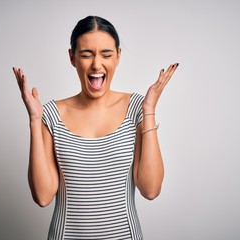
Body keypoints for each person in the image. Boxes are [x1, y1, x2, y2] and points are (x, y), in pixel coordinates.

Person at [13, 15, 178, 240]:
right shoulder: (50, 114)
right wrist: (34, 120)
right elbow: (42, 197)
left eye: (106, 54)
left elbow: (150, 190)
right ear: (72, 58)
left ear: (118, 56)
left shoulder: (136, 108)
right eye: (86, 54)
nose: (96, 64)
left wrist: (148, 109)